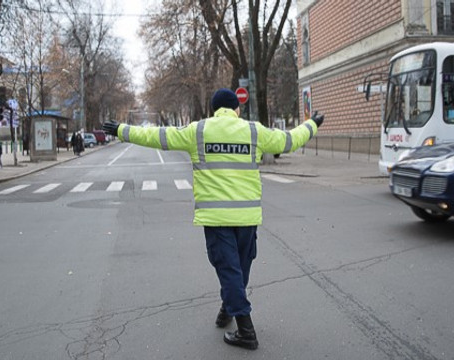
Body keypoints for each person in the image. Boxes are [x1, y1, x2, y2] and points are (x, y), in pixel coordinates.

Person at [103, 88, 324, 350]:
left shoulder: (199, 131)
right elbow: (289, 140)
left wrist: (120, 130)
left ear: (214, 109)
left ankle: (246, 331)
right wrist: (312, 124)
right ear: (236, 109)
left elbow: (156, 136)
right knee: (238, 271)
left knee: (230, 271)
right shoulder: (253, 131)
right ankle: (228, 308)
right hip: (246, 217)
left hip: (217, 218)